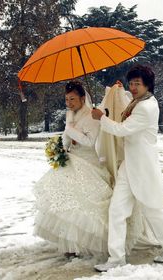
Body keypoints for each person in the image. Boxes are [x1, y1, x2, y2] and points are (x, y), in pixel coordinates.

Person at [33, 80, 144, 258]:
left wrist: (71, 130)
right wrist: (61, 146)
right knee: (67, 203)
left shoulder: (92, 115)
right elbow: (66, 137)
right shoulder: (71, 114)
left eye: (72, 99)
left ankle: (92, 242)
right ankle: (70, 243)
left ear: (82, 98)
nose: (69, 103)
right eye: (67, 99)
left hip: (88, 162)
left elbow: (90, 141)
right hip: (71, 161)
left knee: (84, 205)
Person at [92, 65, 163, 272]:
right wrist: (119, 91)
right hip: (129, 166)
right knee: (117, 211)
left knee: (151, 210)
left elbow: (122, 130)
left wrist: (101, 118)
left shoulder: (146, 108)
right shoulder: (139, 100)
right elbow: (126, 107)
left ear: (147, 85)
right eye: (131, 83)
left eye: (137, 83)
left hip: (143, 166)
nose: (133, 87)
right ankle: (116, 258)